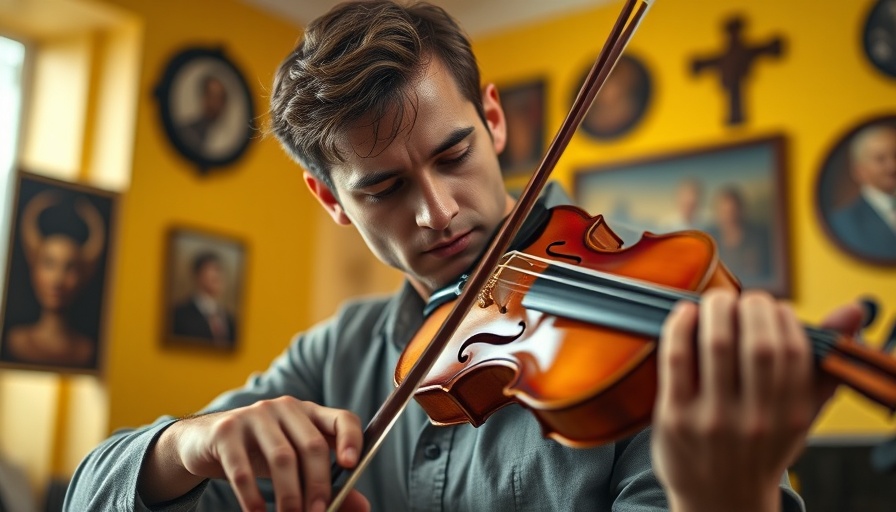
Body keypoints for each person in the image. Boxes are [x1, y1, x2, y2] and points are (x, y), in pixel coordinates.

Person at [65, 2, 864, 511]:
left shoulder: (639, 354)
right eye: (382, 188)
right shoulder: (337, 353)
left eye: (453, 155)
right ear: (329, 200)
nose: (437, 211)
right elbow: (88, 494)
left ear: (493, 120)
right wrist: (189, 445)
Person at [3, 190, 105, 367]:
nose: (57, 280)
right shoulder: (15, 340)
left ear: (83, 277)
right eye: (49, 264)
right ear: (34, 270)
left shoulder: (86, 350)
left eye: (70, 268)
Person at [829, 123, 896, 260]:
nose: (892, 166)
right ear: (859, 171)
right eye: (880, 159)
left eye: (895, 155)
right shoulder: (843, 222)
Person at [705, 185, 772, 287]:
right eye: (724, 212)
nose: (729, 217)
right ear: (717, 213)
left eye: (732, 211)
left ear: (741, 211)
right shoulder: (709, 241)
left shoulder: (760, 237)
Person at [171, 251, 237, 346]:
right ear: (197, 275)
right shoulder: (179, 314)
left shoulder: (229, 319)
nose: (217, 275)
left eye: (219, 270)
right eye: (212, 269)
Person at [178, 74, 230, 155]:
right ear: (203, 97)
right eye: (211, 95)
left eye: (220, 97)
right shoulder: (187, 132)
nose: (215, 102)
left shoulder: (232, 136)